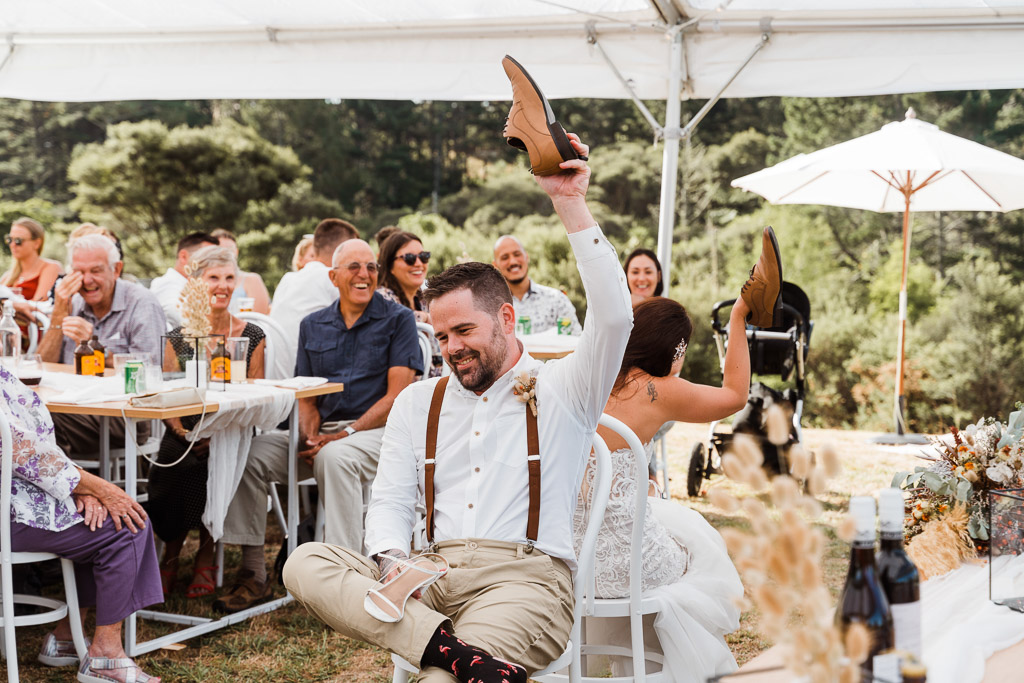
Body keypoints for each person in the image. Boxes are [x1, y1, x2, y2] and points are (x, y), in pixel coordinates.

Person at [283, 134, 634, 683]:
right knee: (305, 562)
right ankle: (455, 653)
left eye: (465, 330)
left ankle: (446, 659)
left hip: (523, 582)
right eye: (442, 336)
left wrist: (569, 202)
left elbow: (614, 318)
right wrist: (392, 560)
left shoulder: (566, 387)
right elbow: (391, 500)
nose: (452, 349)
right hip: (428, 576)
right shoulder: (418, 402)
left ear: (507, 320)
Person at [573, 230, 781, 682]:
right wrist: (739, 315)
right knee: (699, 546)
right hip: (631, 571)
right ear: (676, 350)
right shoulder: (658, 391)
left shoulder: (580, 377)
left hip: (571, 564)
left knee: (668, 518)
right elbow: (734, 395)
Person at [214, 237, 422, 614]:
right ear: (333, 276)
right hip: (323, 435)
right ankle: (253, 571)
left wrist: (342, 435)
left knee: (335, 457)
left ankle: (345, 583)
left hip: (378, 434)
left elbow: (397, 396)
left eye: (371, 267)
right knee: (251, 455)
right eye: (354, 267)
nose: (364, 274)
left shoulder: (398, 319)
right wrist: (309, 435)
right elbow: (306, 397)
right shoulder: (313, 325)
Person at [2, 364, 163, 682]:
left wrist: (80, 488)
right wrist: (96, 487)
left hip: (19, 494)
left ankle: (64, 638)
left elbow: (32, 449)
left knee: (96, 516)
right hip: (9, 512)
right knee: (126, 526)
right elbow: (21, 450)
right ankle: (106, 656)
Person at [145, 246, 267, 599]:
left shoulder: (251, 336)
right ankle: (171, 552)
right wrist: (183, 431)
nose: (223, 285)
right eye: (214, 277)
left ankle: (206, 553)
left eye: (229, 278)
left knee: (213, 462)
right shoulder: (178, 338)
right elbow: (168, 396)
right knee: (171, 462)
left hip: (232, 431)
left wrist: (216, 436)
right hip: (183, 429)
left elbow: (257, 399)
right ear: (197, 284)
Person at [37, 234, 167, 455]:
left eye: (95, 271)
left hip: (124, 415)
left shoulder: (141, 302)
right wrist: (59, 309)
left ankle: (66, 476)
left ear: (116, 270)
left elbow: (149, 371)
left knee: (41, 417)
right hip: (74, 406)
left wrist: (97, 351)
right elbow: (44, 364)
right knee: (24, 411)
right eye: (79, 272)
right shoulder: (73, 302)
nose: (87, 280)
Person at [270, 218, 358, 379]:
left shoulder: (287, 279)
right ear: (342, 252)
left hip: (276, 376)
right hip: (309, 380)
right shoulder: (331, 277)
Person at [492, 234, 581, 335]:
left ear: (527, 257)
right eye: (505, 257)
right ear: (495, 265)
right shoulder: (489, 306)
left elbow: (576, 340)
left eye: (517, 254)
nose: (512, 261)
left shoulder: (557, 300)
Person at [149, 232, 219, 327]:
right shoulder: (166, 285)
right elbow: (186, 320)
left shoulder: (198, 286)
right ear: (183, 256)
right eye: (207, 258)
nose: (215, 264)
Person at [2, 217, 63, 319]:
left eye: (18, 241)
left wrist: (6, 304)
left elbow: (36, 308)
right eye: (9, 239)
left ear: (37, 243)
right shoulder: (8, 276)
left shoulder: (50, 267)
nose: (12, 245)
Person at [210, 228, 271, 314]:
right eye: (220, 249)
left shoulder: (252, 280)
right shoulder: (201, 282)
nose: (226, 253)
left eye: (230, 249)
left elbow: (260, 318)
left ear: (237, 252)